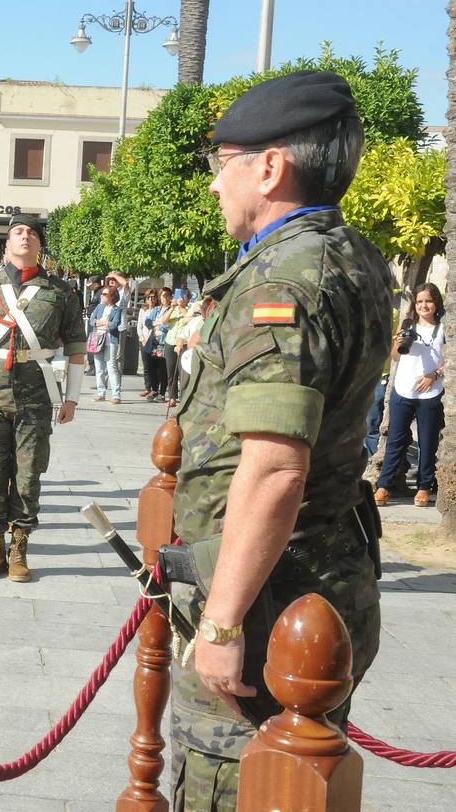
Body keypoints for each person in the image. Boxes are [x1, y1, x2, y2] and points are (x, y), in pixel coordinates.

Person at [168, 70, 390, 810]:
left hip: (272, 603)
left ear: (269, 165)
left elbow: (271, 469)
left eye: (220, 163)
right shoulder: (346, 253)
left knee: (237, 783)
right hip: (311, 585)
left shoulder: (284, 281)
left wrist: (223, 619)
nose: (212, 187)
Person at [0, 214, 86, 582]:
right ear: (7, 243)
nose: (26, 237)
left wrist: (71, 398)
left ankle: (19, 548)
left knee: (28, 477)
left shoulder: (60, 290)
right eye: (18, 232)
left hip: (35, 395)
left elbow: (75, 347)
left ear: (40, 244)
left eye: (32, 234)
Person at [375, 283, 446, 508]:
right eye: (419, 301)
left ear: (436, 303)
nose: (424, 305)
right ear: (415, 305)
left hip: (431, 393)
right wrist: (397, 343)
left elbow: (450, 360)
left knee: (427, 442)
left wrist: (433, 375)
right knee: (395, 441)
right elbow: (395, 357)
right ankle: (384, 486)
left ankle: (424, 487)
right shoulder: (407, 324)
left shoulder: (445, 327)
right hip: (403, 390)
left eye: (428, 301)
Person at [89, 286, 124, 404]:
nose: (102, 296)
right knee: (99, 368)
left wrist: (101, 323)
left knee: (111, 367)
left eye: (105, 294)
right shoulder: (99, 307)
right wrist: (104, 323)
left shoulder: (117, 310)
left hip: (110, 341)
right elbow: (91, 320)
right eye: (102, 294)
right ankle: (101, 393)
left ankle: (116, 395)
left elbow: (114, 325)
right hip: (97, 339)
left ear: (112, 296)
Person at [159, 289, 189, 407]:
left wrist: (182, 308)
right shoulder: (173, 310)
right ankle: (172, 397)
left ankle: (184, 397)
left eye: (182, 297)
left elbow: (189, 319)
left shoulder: (189, 310)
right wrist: (172, 308)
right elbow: (164, 321)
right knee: (171, 371)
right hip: (170, 341)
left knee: (182, 372)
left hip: (183, 343)